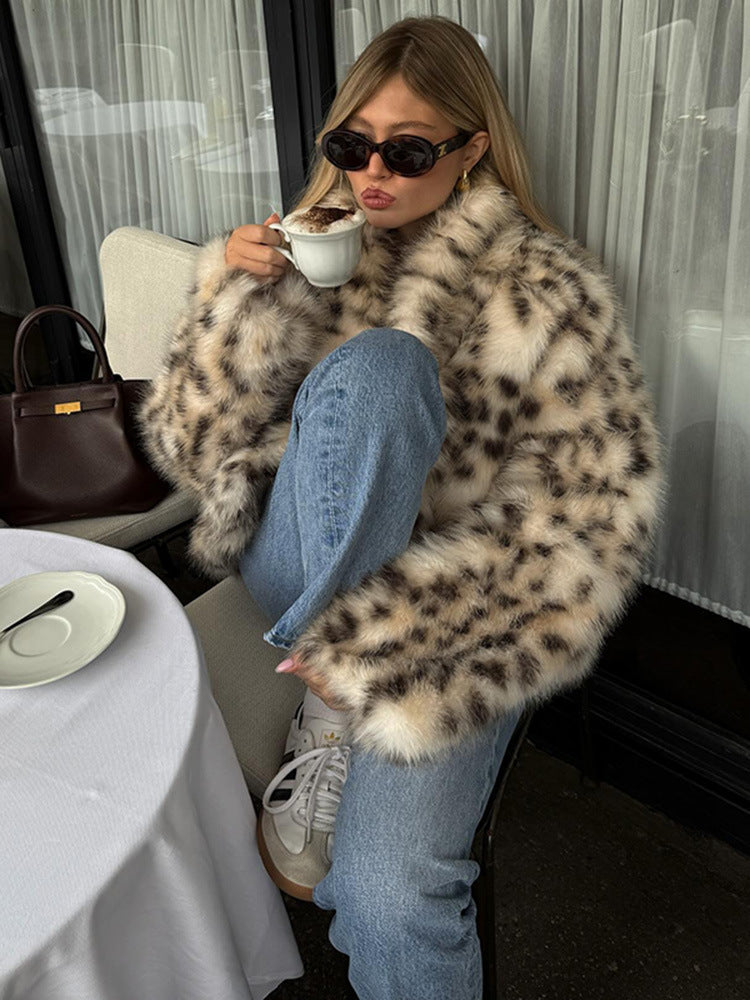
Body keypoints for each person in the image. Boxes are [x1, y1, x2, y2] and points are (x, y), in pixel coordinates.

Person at [138, 15, 663, 999]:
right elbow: (191, 450)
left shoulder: (551, 295)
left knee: (390, 897)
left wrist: (402, 628)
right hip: (294, 562)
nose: (372, 173)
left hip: (456, 611)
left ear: (470, 152)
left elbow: (582, 528)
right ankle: (329, 689)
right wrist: (235, 304)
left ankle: (336, 692)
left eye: (408, 150)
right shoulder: (305, 249)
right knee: (382, 367)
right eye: (353, 144)